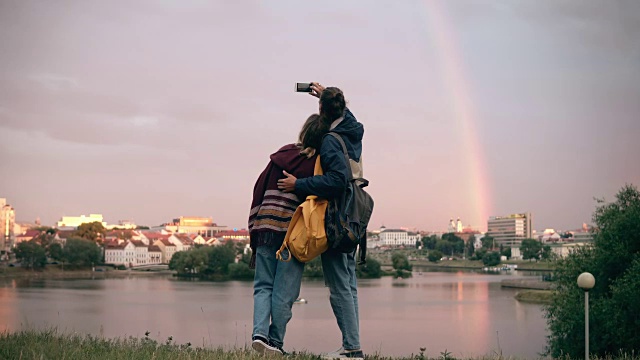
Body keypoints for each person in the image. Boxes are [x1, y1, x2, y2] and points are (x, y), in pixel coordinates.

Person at [278, 83, 365, 360]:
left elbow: (337, 180)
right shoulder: (351, 134)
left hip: (336, 219)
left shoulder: (329, 140)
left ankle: (351, 349)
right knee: (348, 284)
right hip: (353, 218)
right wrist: (328, 94)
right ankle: (353, 345)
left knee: (340, 285)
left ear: (321, 111)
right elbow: (352, 121)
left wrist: (299, 184)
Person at [248, 113, 329, 356]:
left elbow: (258, 189)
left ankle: (259, 335)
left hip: (265, 229)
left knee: (263, 285)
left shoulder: (281, 155)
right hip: (291, 237)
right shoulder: (317, 164)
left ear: (304, 131)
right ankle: (275, 342)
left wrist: (255, 225)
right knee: (286, 292)